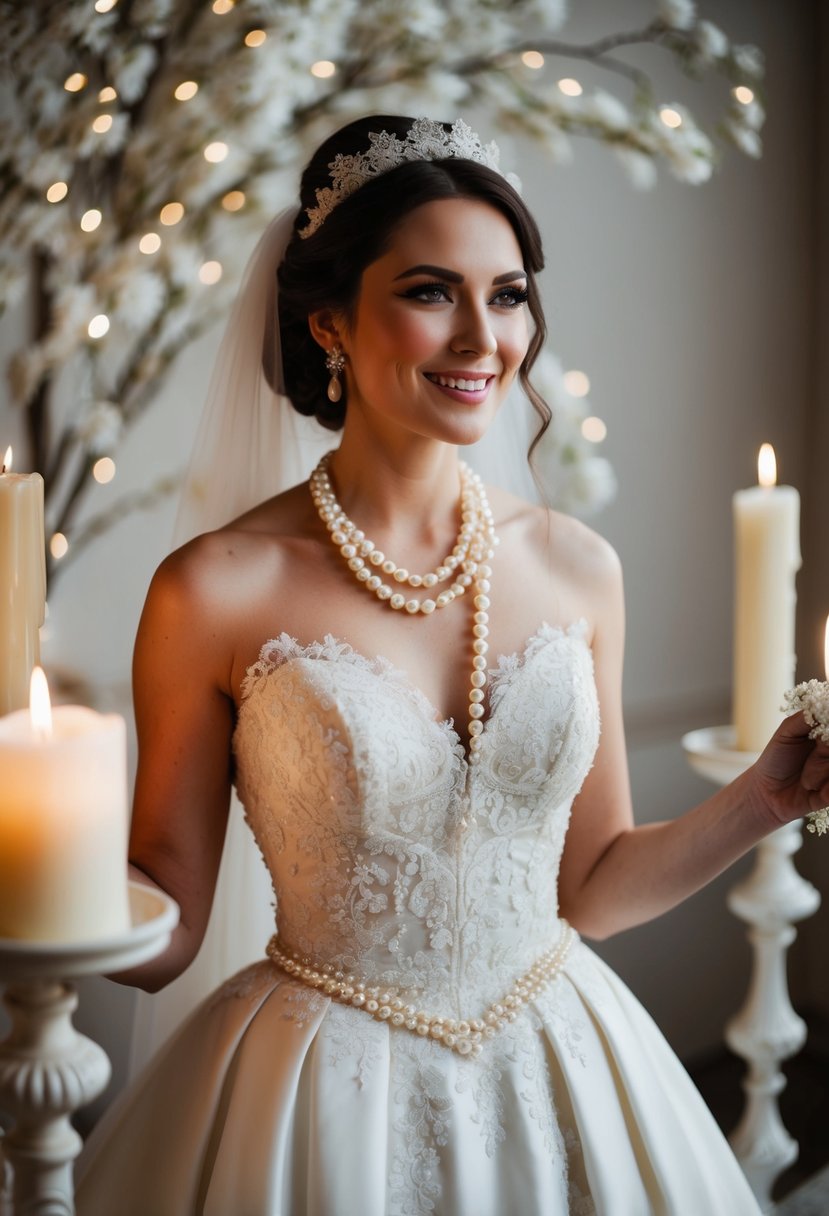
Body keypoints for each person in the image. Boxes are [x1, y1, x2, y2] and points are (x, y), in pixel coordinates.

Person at [75, 115, 828, 1216]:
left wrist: (762, 800)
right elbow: (166, 934)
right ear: (329, 319)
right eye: (431, 291)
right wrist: (41, 856)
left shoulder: (579, 568)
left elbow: (593, 886)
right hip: (313, 1102)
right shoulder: (214, 588)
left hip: (560, 1054)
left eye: (509, 293)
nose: (484, 337)